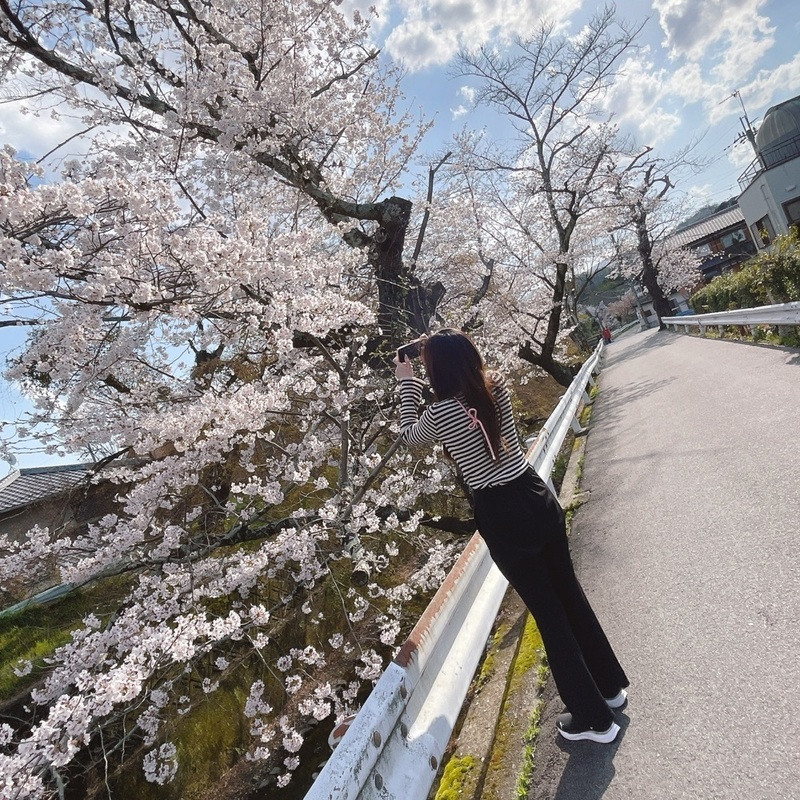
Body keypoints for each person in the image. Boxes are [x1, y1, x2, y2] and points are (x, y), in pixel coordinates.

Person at [394, 328, 628, 743]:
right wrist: (440, 347)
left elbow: (409, 435)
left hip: (501, 512)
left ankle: (595, 721)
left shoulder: (441, 413)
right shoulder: (495, 384)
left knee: (548, 612)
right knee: (569, 593)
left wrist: (407, 382)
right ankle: (610, 689)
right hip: (534, 493)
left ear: (436, 370)